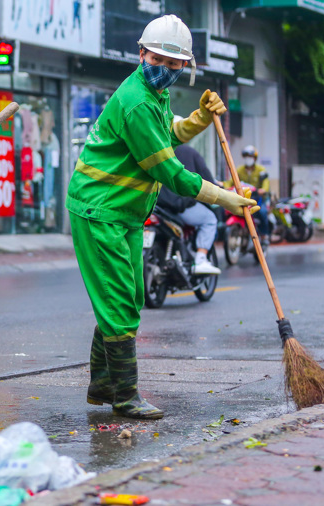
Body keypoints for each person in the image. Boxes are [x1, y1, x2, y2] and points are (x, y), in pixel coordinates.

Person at [66, 14, 258, 419]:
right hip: (101, 210)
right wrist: (225, 197)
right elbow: (168, 170)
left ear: (184, 68)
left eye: (175, 64)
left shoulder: (153, 96)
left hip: (127, 214)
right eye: (159, 59)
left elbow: (170, 130)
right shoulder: (136, 101)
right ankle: (125, 396)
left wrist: (201, 119)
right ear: (142, 54)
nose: (166, 69)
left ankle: (102, 384)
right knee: (119, 304)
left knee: (131, 298)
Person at [156, 142, 221, 275]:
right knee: (210, 219)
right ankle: (201, 259)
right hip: (181, 206)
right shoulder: (190, 152)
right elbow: (207, 179)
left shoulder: (157, 151)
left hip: (158, 206)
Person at [224, 145, 270, 246]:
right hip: (243, 198)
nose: (248, 159)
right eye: (246, 156)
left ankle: (264, 235)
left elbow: (266, 183)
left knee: (262, 212)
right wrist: (225, 186)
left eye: (250, 156)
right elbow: (230, 182)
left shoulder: (260, 169)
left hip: (257, 198)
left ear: (254, 158)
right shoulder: (239, 170)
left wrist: (263, 190)